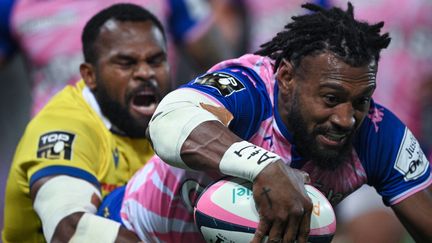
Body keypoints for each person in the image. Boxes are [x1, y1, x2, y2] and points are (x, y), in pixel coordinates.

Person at [99, 2, 432, 243]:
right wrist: (263, 167)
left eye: (360, 101)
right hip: (132, 233)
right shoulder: (251, 86)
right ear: (286, 77)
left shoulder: (377, 132)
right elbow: (168, 120)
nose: (346, 119)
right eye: (330, 99)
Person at [2, 3, 172, 242]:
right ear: (90, 76)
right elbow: (70, 231)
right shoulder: (64, 127)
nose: (145, 72)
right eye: (126, 63)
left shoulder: (174, 121)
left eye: (156, 61)